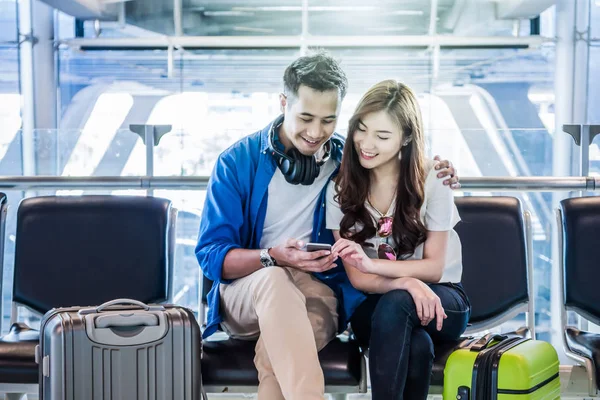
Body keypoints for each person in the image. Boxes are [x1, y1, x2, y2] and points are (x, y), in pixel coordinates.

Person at [196, 52, 460, 400]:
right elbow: (212, 257)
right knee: (275, 280)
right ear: (282, 103)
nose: (316, 132)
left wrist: (439, 168)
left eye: (328, 120)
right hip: (249, 289)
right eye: (305, 117)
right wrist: (272, 256)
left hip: (315, 292)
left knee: (275, 357)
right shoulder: (236, 162)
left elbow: (396, 164)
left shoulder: (344, 164)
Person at [327, 79, 471, 400]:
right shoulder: (340, 189)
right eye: (361, 129)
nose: (366, 143)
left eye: (382, 136)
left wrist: (390, 274)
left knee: (398, 304)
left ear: (406, 138)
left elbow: (434, 269)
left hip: (442, 298)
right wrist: (407, 282)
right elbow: (360, 278)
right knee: (416, 346)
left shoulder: (434, 178)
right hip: (376, 303)